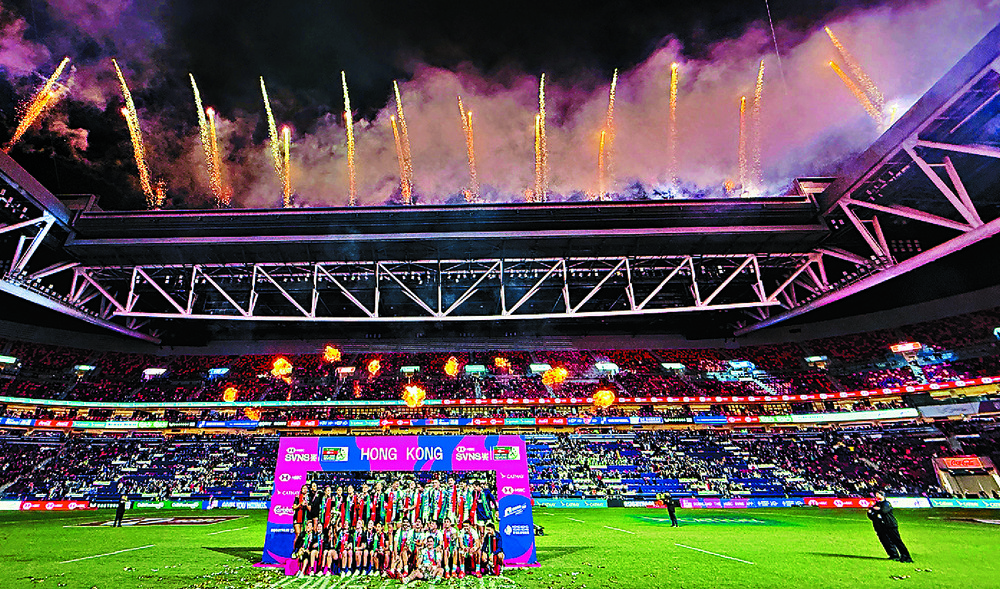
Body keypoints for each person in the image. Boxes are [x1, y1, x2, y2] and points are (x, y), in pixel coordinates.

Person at [870, 492, 912, 563]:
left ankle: (906, 556)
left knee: (896, 541)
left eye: (878, 494)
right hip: (881, 526)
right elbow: (870, 513)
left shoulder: (886, 503)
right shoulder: (877, 504)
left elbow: (884, 511)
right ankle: (893, 555)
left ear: (882, 495)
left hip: (890, 525)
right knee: (886, 541)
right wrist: (874, 510)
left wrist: (875, 509)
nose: (876, 495)